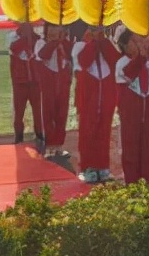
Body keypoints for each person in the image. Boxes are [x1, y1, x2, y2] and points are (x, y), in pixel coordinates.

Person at [115, 29, 149, 185]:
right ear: (124, 45)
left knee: (148, 147)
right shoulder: (122, 62)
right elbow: (130, 72)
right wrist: (142, 57)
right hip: (131, 112)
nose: (140, 45)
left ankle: (145, 180)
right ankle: (131, 182)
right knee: (131, 146)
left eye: (142, 40)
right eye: (135, 42)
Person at [73, 25, 121, 183]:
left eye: (100, 29)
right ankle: (88, 167)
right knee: (88, 132)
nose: (98, 32)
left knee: (105, 132)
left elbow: (116, 59)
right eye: (94, 29)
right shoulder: (80, 46)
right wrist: (94, 42)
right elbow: (84, 61)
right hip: (88, 98)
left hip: (106, 96)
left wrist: (103, 42)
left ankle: (103, 166)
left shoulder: (107, 44)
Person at [35, 23, 74, 158]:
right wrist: (55, 41)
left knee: (62, 114)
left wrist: (63, 41)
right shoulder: (41, 43)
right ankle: (49, 145)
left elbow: (72, 54)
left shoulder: (64, 43)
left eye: (57, 28)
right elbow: (43, 54)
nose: (54, 31)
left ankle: (59, 145)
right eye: (51, 28)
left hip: (62, 81)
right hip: (48, 82)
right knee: (47, 113)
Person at [8, 23, 41, 147]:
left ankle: (39, 134)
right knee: (19, 111)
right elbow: (14, 48)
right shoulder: (12, 37)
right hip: (20, 82)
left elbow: (39, 50)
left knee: (38, 111)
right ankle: (19, 136)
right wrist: (25, 37)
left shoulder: (37, 39)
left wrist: (31, 37)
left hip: (35, 82)